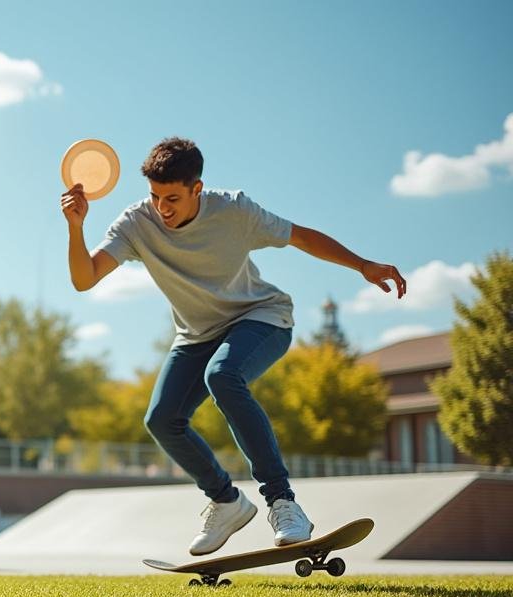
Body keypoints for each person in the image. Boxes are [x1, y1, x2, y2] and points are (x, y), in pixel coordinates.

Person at [60, 137, 407, 556]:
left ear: (197, 189)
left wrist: (362, 264)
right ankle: (225, 501)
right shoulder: (137, 223)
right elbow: (85, 277)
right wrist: (76, 227)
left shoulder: (234, 210)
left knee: (223, 376)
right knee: (162, 419)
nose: (162, 208)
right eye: (155, 197)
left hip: (260, 318)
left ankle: (282, 502)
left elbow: (301, 238)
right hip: (196, 335)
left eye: (172, 198)